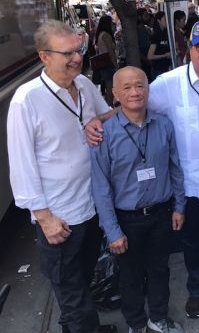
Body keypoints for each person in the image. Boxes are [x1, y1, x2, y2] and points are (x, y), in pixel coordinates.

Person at [86, 20, 199, 321]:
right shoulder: (169, 84)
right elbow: (134, 102)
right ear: (191, 50)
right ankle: (198, 290)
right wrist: (98, 120)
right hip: (192, 185)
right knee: (194, 244)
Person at [7, 20, 116, 333]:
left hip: (90, 206)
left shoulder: (82, 84)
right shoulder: (25, 100)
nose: (76, 58)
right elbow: (21, 165)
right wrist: (43, 218)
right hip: (59, 217)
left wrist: (112, 114)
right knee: (70, 291)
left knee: (81, 282)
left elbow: (102, 116)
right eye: (66, 53)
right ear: (44, 56)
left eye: (78, 50)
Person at [91, 67, 186, 333]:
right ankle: (136, 324)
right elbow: (100, 187)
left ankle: (158, 317)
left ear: (148, 89)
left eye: (140, 86)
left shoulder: (163, 124)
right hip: (126, 220)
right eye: (127, 87)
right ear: (116, 94)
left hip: (160, 213)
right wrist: (112, 231)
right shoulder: (104, 134)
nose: (135, 92)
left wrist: (179, 206)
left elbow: (175, 167)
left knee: (160, 270)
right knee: (130, 277)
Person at [95, 15, 118, 106]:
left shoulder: (100, 34)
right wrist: (115, 65)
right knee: (110, 86)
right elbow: (110, 52)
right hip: (108, 63)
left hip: (104, 63)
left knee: (108, 86)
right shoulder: (106, 35)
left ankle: (109, 105)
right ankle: (109, 106)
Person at [147, 11, 172, 80]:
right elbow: (150, 56)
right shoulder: (155, 36)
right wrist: (165, 55)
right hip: (158, 70)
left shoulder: (166, 34)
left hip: (166, 69)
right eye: (164, 19)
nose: (167, 21)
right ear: (159, 21)